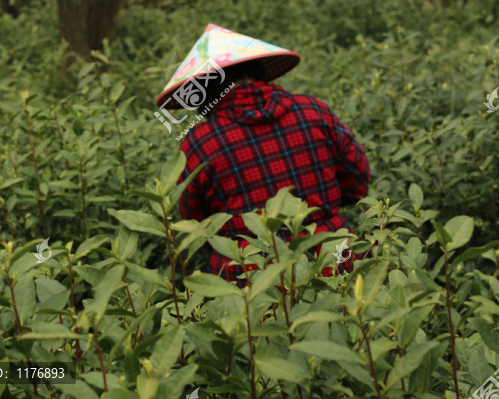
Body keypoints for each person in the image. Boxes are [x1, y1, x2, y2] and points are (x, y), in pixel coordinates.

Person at [154, 23, 370, 289]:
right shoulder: (314, 110)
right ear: (258, 71)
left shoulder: (200, 142)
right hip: (331, 257)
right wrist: (321, 214)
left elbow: (197, 223)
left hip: (249, 276)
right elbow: (357, 182)